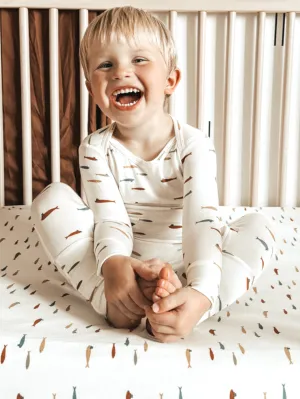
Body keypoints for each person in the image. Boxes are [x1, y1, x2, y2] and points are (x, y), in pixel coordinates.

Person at [31, 6, 277, 343]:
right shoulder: (94, 149)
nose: (121, 73)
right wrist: (115, 265)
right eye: (106, 65)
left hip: (189, 262)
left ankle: (194, 306)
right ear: (92, 88)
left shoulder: (194, 144)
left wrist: (202, 286)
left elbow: (201, 222)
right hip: (125, 263)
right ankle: (114, 301)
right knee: (51, 199)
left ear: (170, 81)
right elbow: (110, 219)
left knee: (260, 228)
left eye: (139, 60)